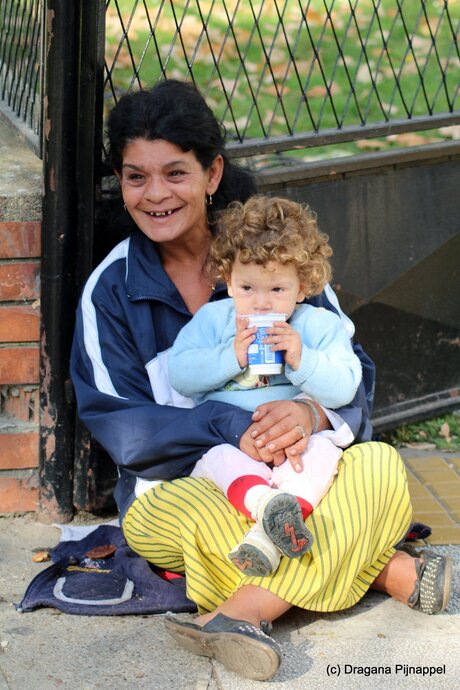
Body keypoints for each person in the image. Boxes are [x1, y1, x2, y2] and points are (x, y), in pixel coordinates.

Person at [70, 79, 452, 682]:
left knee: (377, 468)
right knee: (178, 523)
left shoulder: (278, 263)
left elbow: (356, 380)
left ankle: (243, 610)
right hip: (190, 487)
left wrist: (308, 416)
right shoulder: (110, 291)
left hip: (299, 467)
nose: (154, 194)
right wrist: (231, 426)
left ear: (213, 173)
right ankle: (379, 567)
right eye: (135, 176)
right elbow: (126, 433)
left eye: (175, 173)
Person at [168, 195, 363, 577]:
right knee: (214, 460)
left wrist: (301, 358)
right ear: (227, 280)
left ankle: (270, 531)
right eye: (246, 288)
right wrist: (231, 356)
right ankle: (267, 512)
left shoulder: (317, 325)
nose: (260, 304)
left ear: (302, 286)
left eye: (276, 291)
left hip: (294, 445)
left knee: (323, 454)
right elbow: (181, 374)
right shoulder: (213, 320)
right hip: (232, 443)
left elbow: (345, 387)